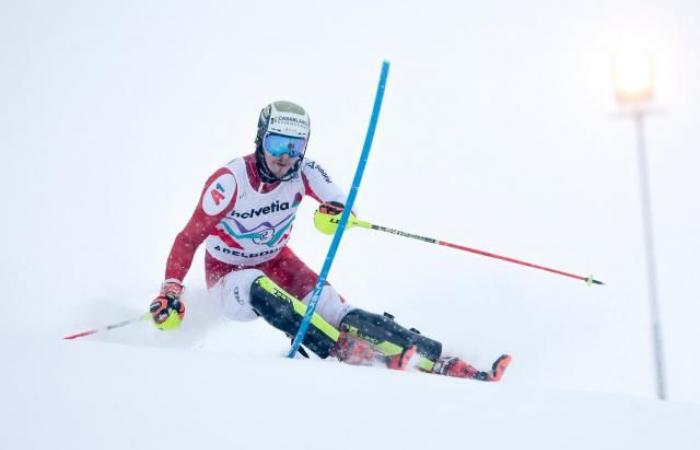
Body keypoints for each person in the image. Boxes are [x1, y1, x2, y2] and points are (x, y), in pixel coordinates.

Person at [149, 100, 511, 381]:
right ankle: (343, 351)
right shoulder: (230, 181)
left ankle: (438, 358)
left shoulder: (304, 171)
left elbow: (340, 202)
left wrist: (337, 215)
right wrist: (172, 289)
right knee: (256, 284)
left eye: (295, 147)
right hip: (228, 274)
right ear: (260, 139)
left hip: (277, 260)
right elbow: (188, 237)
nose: (283, 157)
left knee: (332, 307)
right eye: (276, 144)